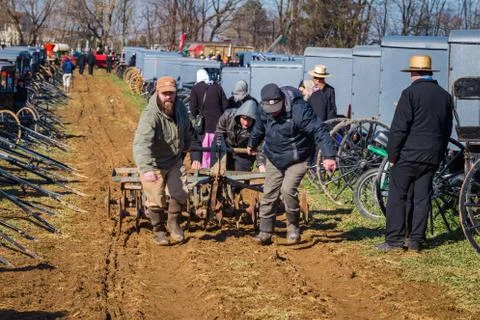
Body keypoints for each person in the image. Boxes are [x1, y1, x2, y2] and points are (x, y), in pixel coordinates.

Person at [376, 55, 453, 253]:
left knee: (398, 197)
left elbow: (399, 128)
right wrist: (439, 153)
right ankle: (416, 241)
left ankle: (394, 240)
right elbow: (446, 130)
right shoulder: (445, 96)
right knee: (421, 198)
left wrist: (392, 156)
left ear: (413, 72)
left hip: (407, 155)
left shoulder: (409, 94)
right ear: (429, 72)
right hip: (431, 157)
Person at [247, 84, 337, 245]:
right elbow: (259, 128)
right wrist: (252, 143)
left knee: (287, 190)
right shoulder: (262, 109)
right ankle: (265, 232)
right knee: (268, 193)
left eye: (276, 107)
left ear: (282, 100)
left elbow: (319, 130)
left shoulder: (299, 109)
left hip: (299, 157)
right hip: (275, 156)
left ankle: (293, 227)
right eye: (270, 108)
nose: (273, 111)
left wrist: (329, 155)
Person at [133, 76, 201, 246]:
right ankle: (158, 230)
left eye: (171, 93)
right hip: (154, 163)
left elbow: (187, 129)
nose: (168, 96)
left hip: (173, 160)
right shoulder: (151, 115)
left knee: (180, 191)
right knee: (155, 197)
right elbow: (141, 144)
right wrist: (147, 168)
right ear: (158, 93)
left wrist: (187, 146)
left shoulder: (180, 108)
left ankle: (173, 224)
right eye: (165, 94)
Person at [189, 68, 228, 168]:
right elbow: (225, 106)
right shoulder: (217, 87)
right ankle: (215, 169)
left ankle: (204, 171)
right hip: (218, 127)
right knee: (216, 151)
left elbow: (192, 109)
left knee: (204, 150)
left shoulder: (195, 88)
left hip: (204, 127)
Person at [215, 99, 265, 172]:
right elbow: (219, 132)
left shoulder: (258, 125)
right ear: (239, 116)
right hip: (227, 149)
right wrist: (219, 150)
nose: (246, 123)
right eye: (244, 119)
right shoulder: (228, 115)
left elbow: (261, 143)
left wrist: (261, 163)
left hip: (245, 153)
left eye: (250, 120)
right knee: (224, 175)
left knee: (240, 177)